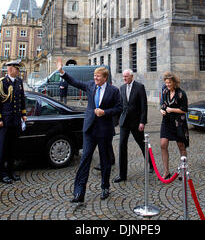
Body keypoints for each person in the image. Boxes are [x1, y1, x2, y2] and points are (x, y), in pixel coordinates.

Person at [57, 58, 122, 202]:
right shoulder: (91, 85)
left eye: (98, 76)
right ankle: (79, 192)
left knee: (105, 161)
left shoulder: (114, 91)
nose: (95, 78)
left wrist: (105, 112)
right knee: (85, 159)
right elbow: (75, 82)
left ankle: (105, 187)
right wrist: (62, 72)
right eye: (94, 76)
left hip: (104, 131)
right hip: (90, 129)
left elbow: (119, 108)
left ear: (105, 78)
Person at [113, 69, 153, 183]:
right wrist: (117, 120)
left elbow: (144, 106)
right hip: (124, 122)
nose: (124, 78)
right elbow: (121, 105)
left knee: (142, 144)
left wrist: (142, 122)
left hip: (136, 122)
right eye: (123, 77)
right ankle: (122, 174)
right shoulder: (122, 88)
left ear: (131, 76)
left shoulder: (139, 87)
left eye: (126, 76)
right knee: (122, 146)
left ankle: (151, 164)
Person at [0, 60, 27, 184]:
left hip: (15, 121)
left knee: (12, 148)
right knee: (2, 148)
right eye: (17, 69)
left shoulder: (19, 82)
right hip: (5, 121)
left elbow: (21, 99)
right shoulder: (1, 83)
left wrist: (23, 114)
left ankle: (11, 171)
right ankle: (1, 174)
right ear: (11, 69)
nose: (19, 71)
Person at [160, 72, 189, 179]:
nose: (167, 85)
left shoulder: (181, 93)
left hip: (178, 123)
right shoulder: (165, 91)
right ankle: (166, 171)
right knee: (163, 144)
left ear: (174, 82)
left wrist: (171, 109)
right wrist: (161, 110)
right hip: (167, 121)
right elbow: (163, 105)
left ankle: (183, 170)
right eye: (166, 83)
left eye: (169, 83)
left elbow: (184, 110)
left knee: (181, 146)